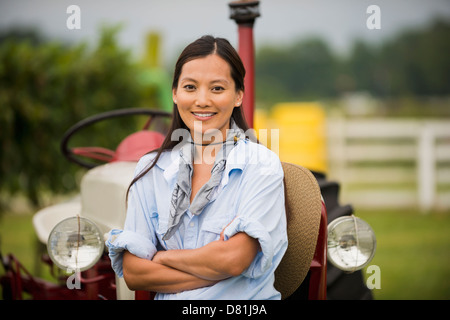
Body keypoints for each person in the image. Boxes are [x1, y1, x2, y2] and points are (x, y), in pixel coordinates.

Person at [105, 35, 287, 300]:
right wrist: (213, 265)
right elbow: (134, 273)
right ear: (175, 94)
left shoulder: (261, 165)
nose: (202, 100)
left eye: (217, 88)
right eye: (190, 87)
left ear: (238, 96)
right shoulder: (150, 168)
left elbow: (234, 260)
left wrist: (162, 257)